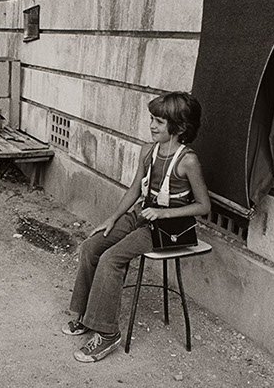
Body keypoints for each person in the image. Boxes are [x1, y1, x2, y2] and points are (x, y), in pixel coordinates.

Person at [63, 91, 211, 363]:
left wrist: (164, 214)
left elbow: (203, 206)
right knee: (91, 246)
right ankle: (86, 315)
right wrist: (112, 218)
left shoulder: (187, 161)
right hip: (142, 216)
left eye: (159, 122)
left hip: (168, 229)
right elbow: (134, 189)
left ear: (179, 128)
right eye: (151, 119)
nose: (152, 126)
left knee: (111, 259)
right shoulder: (148, 151)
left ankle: (108, 333)